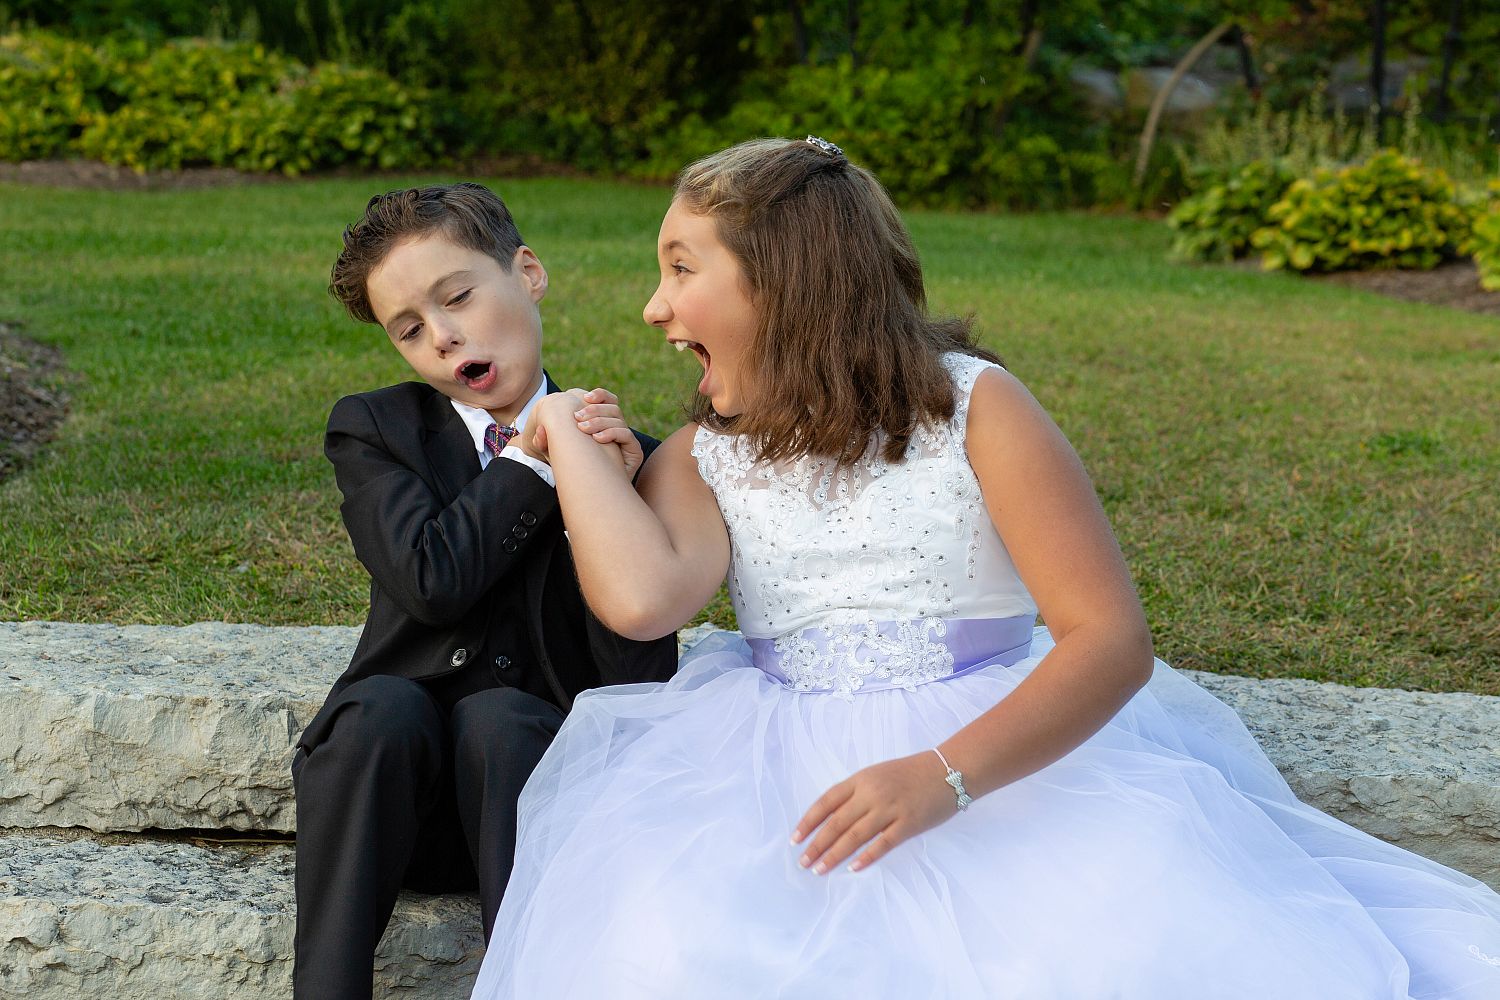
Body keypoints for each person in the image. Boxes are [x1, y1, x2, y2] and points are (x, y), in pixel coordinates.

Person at [469, 139, 1500, 998]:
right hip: (769, 776)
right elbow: (644, 600)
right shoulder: (704, 454)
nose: (655, 306)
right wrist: (564, 435)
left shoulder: (977, 409)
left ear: (786, 278)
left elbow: (1108, 639)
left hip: (1002, 759)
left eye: (683, 267)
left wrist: (943, 777)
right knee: (684, 947)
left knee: (1095, 951)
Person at [292, 182, 677, 1000]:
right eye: (409, 329)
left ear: (528, 273)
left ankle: (527, 982)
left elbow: (639, 676)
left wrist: (597, 505)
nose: (442, 335)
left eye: (457, 296)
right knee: (380, 711)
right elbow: (431, 580)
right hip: (395, 806)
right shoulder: (375, 429)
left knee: (500, 718)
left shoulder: (632, 458)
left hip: (538, 797)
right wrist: (536, 462)